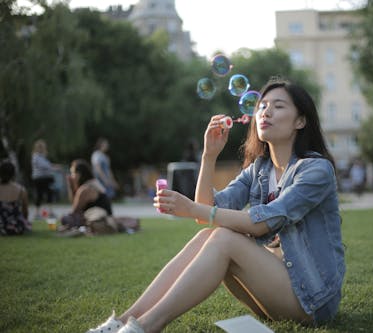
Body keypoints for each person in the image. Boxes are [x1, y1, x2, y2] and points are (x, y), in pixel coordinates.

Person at [86, 78, 345, 333]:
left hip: (313, 298)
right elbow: (207, 211)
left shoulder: (315, 169)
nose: (266, 111)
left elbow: (264, 222)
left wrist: (191, 209)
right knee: (209, 234)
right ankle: (122, 321)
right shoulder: (260, 170)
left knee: (223, 238)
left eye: (278, 106)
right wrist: (209, 156)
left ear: (300, 121)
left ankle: (145, 326)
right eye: (263, 106)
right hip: (276, 291)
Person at [59, 159, 113, 231]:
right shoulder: (94, 182)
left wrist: (71, 186)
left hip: (97, 218)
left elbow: (74, 210)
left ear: (79, 174)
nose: (71, 176)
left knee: (64, 218)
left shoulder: (85, 189)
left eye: (72, 173)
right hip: (105, 217)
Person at [0, 159, 31, 235]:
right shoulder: (21, 189)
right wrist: (25, 221)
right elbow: (25, 211)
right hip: (16, 226)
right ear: (13, 174)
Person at [31, 139, 58, 219]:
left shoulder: (42, 156)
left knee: (49, 194)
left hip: (45, 178)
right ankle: (37, 213)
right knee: (40, 195)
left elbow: (47, 165)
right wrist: (53, 167)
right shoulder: (36, 156)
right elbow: (44, 166)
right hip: (40, 179)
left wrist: (53, 167)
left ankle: (50, 212)